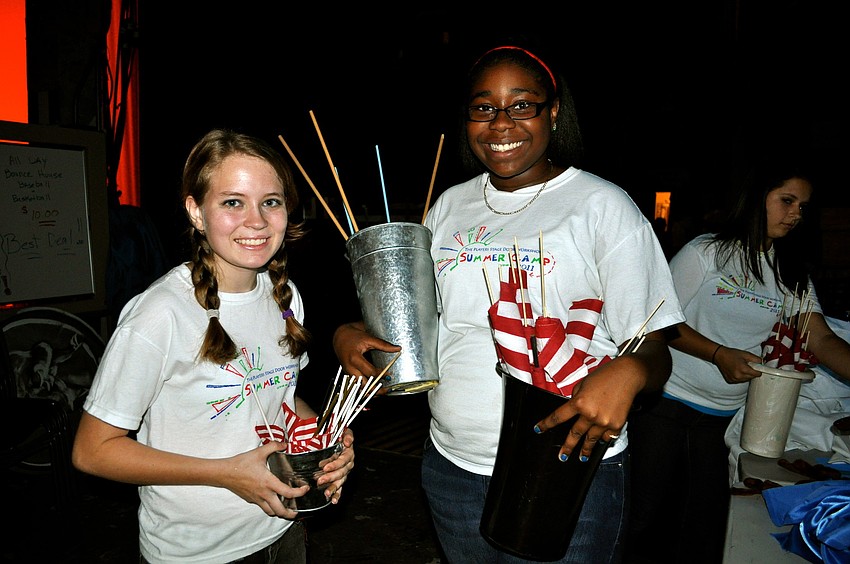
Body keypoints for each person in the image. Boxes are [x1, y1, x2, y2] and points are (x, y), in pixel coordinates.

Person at [332, 42, 685, 563]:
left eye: (522, 105)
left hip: (567, 469)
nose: (501, 123)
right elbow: (423, 315)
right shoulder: (451, 204)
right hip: (452, 465)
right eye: (484, 107)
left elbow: (656, 347)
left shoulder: (602, 206)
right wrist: (351, 331)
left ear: (554, 112)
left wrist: (630, 371)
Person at [72, 128, 355, 564]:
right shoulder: (160, 314)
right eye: (232, 202)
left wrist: (325, 442)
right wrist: (226, 475)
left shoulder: (285, 295)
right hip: (198, 551)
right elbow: (93, 451)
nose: (256, 220)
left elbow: (277, 392)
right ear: (196, 212)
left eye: (271, 202)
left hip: (283, 529)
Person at [625, 154, 850, 563]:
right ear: (758, 198)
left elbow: (821, 339)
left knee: (705, 529)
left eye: (803, 206)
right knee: (641, 522)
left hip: (720, 419)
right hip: (664, 407)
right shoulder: (707, 251)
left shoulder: (789, 272)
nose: (796, 213)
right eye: (787, 200)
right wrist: (717, 353)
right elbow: (657, 321)